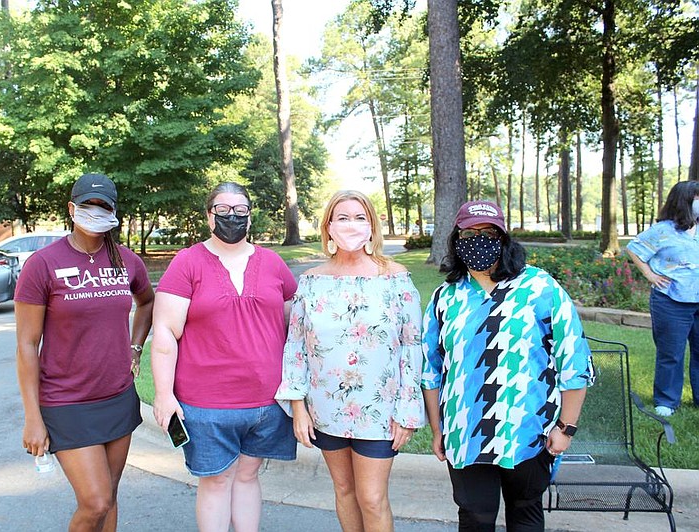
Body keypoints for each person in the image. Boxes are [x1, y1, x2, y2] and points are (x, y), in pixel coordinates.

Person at [421, 200, 594, 532]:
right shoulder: (446, 297)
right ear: (456, 239)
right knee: (475, 516)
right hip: (465, 430)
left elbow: (573, 359)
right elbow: (431, 369)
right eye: (470, 233)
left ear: (503, 238)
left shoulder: (540, 288)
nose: (479, 240)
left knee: (525, 511)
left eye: (488, 233)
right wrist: (437, 428)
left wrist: (566, 428)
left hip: (529, 431)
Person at [150, 182, 297, 532]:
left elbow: (295, 324)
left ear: (250, 216)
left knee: (247, 476)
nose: (233, 217)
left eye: (241, 211)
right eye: (224, 211)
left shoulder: (273, 263)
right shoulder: (187, 263)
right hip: (207, 405)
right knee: (216, 481)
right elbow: (166, 334)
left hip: (266, 403)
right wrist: (163, 394)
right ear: (209, 216)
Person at [276, 190, 425, 532]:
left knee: (372, 497)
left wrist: (407, 410)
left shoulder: (395, 279)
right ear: (328, 226)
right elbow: (295, 345)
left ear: (372, 226)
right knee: (344, 490)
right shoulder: (312, 281)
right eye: (343, 217)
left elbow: (411, 347)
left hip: (379, 411)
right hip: (325, 408)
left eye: (360, 217)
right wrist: (298, 406)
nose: (352, 225)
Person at [15, 173, 154, 531]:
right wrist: (33, 417)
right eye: (88, 205)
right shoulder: (42, 264)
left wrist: (136, 347)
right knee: (95, 501)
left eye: (103, 206)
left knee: (110, 494)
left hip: (118, 396)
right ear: (71, 209)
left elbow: (147, 301)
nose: (95, 212)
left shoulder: (127, 261)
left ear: (114, 212)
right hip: (66, 402)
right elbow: (27, 345)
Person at [626, 180, 699, 417]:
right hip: (671, 301)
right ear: (685, 200)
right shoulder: (663, 230)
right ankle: (666, 401)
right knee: (671, 353)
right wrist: (649, 274)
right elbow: (634, 249)